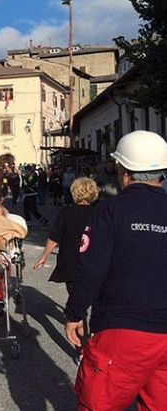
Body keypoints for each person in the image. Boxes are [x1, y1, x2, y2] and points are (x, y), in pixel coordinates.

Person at [64, 130, 167, 410]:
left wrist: (74, 312)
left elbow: (92, 268)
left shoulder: (110, 210)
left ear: (124, 172)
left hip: (123, 330)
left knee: (98, 404)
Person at [33, 177, 98, 362]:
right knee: (96, 306)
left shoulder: (66, 212)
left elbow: (55, 237)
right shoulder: (100, 212)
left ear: (74, 193)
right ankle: (94, 344)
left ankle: (81, 349)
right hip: (94, 265)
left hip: (71, 265)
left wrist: (44, 256)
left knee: (78, 306)